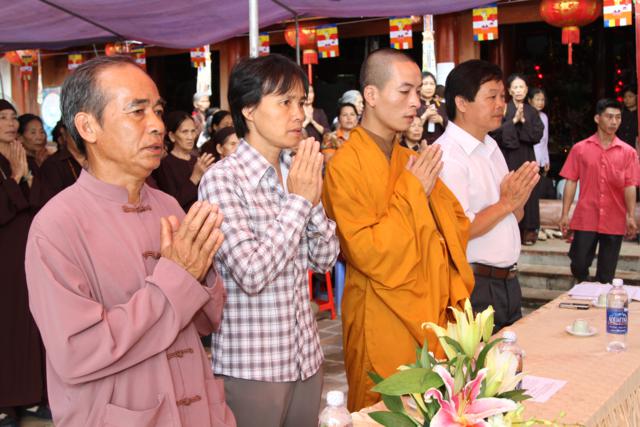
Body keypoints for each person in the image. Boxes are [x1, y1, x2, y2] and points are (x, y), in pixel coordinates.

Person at [24, 55, 235, 427]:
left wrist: (202, 273)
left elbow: (206, 322)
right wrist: (177, 277)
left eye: (158, 111)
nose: (157, 125)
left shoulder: (168, 206)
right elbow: (78, 352)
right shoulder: (56, 226)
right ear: (88, 126)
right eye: (137, 112)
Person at [321, 48, 474, 411]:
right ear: (371, 95)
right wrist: (412, 193)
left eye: (418, 93)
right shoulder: (344, 166)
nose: (415, 103)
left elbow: (454, 226)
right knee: (386, 411)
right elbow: (368, 251)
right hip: (381, 316)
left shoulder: (411, 160)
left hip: (429, 312)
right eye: (404, 91)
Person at [198, 53, 339, 427]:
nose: (298, 115)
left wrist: (310, 200)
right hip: (253, 366)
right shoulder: (223, 180)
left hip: (305, 356)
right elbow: (251, 273)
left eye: (301, 103)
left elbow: (324, 258)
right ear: (249, 110)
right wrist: (299, 201)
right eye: (285, 102)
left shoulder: (296, 170)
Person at [435, 60, 539, 333]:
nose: (500, 105)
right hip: (475, 283)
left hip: (508, 279)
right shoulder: (448, 157)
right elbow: (461, 229)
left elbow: (511, 215)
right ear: (462, 103)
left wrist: (517, 201)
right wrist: (507, 203)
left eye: (502, 97)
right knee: (480, 359)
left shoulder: (491, 145)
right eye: (491, 97)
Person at [0, 100, 50, 427]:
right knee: (5, 326)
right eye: (2, 118)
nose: (10, 123)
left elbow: (37, 202)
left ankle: (30, 396)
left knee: (28, 322)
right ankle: (4, 405)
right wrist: (15, 178)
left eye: (12, 117)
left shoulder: (21, 156)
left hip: (24, 250)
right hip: (2, 255)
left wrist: (26, 176)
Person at [559, 98, 639, 284]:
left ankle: (598, 297)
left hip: (614, 217)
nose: (614, 122)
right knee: (578, 263)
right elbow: (571, 181)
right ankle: (584, 285)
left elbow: (630, 186)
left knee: (607, 273)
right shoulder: (580, 149)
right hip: (586, 215)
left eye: (618, 117)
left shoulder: (628, 152)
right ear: (597, 118)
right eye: (609, 117)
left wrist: (630, 216)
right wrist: (565, 214)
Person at [491, 74, 544, 245]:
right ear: (509, 90)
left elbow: (537, 134)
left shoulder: (532, 111)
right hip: (508, 156)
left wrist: (524, 122)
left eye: (522, 87)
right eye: (515, 87)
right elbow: (495, 132)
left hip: (527, 155)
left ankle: (529, 230)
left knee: (529, 189)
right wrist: (513, 121)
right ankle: (509, 228)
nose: (519, 90)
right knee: (510, 188)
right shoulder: (503, 108)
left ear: (526, 90)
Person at [153, 111, 215, 211]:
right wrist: (195, 177)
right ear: (172, 136)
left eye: (193, 131)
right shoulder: (164, 165)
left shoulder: (198, 161)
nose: (190, 137)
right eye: (184, 132)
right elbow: (172, 203)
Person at [30, 120, 84, 209]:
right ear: (63, 132)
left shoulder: (96, 158)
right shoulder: (52, 165)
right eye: (76, 130)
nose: (81, 135)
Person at [418, 71, 447, 145]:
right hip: (419, 146)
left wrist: (440, 120)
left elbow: (453, 129)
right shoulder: (415, 105)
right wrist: (425, 116)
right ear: (419, 86)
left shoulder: (443, 106)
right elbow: (408, 130)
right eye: (425, 84)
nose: (429, 87)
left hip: (441, 146)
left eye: (432, 84)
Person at [617, 85, 638, 153]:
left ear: (637, 97)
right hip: (620, 150)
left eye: (630, 96)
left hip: (635, 151)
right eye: (625, 97)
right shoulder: (619, 114)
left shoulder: (638, 115)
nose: (627, 99)